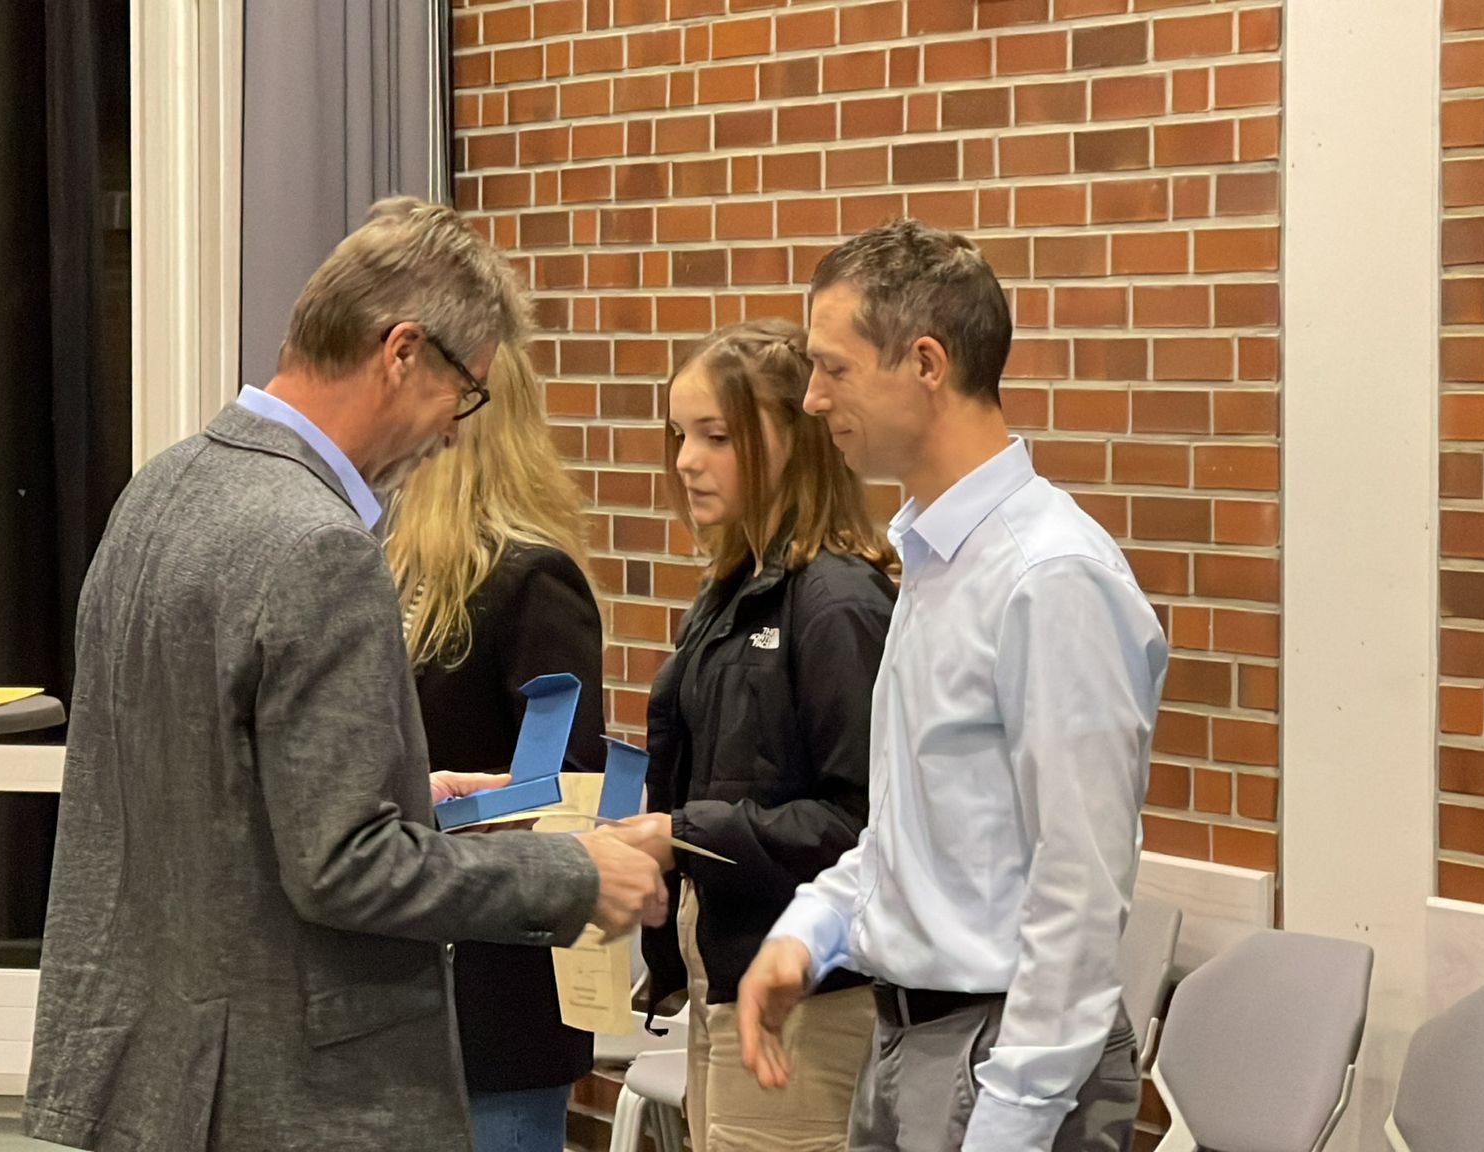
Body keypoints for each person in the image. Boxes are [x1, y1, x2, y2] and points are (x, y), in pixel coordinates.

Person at [24, 198, 668, 1152]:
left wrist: (410, 792)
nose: (456, 433)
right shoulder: (319, 545)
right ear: (403, 351)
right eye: (467, 393)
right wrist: (571, 873)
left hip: (153, 1073)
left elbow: (202, 794)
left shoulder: (161, 486)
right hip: (284, 1092)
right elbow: (346, 870)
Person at [737, 220, 1170, 1152]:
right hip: (912, 1042)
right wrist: (811, 930)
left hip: (1004, 1057)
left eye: (834, 368)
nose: (811, 399)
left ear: (926, 363)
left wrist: (1014, 1114)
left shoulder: (1049, 575)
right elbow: (922, 837)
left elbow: (1079, 882)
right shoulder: (936, 558)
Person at [629, 318, 894, 1152]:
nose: (686, 461)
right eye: (680, 434)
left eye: (717, 437)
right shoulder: (731, 592)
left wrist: (685, 835)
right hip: (723, 974)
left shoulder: (837, 603)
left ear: (795, 440)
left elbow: (863, 825)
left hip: (811, 998)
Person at [384, 342, 607, 1152]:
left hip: (497, 991)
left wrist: (435, 807)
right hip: (407, 982)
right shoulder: (398, 572)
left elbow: (564, 787)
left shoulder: (533, 582)